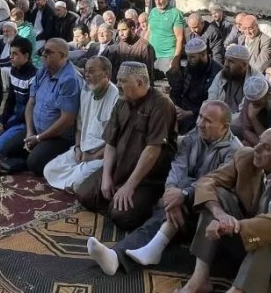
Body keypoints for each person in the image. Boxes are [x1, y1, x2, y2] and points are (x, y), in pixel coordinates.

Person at [86, 100, 242, 275]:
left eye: (208, 120)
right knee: (169, 207)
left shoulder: (235, 152)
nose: (200, 123)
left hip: (208, 212)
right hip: (182, 205)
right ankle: (122, 255)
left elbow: (213, 184)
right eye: (200, 116)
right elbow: (177, 167)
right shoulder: (194, 136)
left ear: (224, 126)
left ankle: (118, 255)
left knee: (173, 204)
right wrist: (170, 193)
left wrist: (183, 194)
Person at [177, 128, 271, 293]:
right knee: (217, 196)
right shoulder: (246, 157)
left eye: (266, 148)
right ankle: (199, 279)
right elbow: (208, 181)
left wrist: (235, 226)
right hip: (248, 240)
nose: (256, 149)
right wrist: (220, 215)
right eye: (259, 142)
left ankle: (239, 290)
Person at [75, 62, 177, 230]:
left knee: (122, 217)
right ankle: (116, 197)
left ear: (139, 83)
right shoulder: (122, 101)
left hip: (147, 178)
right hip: (120, 168)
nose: (118, 85)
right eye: (118, 80)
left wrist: (130, 185)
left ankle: (143, 204)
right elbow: (111, 142)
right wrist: (107, 176)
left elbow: (153, 150)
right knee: (84, 195)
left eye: (123, 81)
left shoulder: (161, 104)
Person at [0, 38, 81, 175]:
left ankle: (40, 155)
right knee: (7, 149)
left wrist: (39, 138)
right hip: (37, 131)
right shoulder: (43, 71)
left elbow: (67, 120)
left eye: (48, 52)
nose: (43, 54)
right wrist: (30, 132)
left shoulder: (69, 80)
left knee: (35, 164)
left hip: (58, 137)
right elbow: (31, 102)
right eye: (44, 50)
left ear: (62, 56)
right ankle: (34, 151)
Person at [44, 57, 120, 191]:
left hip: (101, 156)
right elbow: (79, 127)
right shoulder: (86, 91)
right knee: (49, 169)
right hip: (82, 151)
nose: (86, 75)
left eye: (91, 71)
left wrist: (92, 156)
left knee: (77, 182)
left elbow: (115, 141)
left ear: (106, 74)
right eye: (85, 71)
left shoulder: (116, 97)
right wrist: (78, 147)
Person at [0, 37, 38, 155]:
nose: (11, 57)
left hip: (25, 121)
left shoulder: (34, 76)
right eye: (11, 53)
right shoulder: (14, 71)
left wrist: (6, 125)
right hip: (12, 117)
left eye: (15, 54)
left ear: (26, 56)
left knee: (0, 146)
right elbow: (10, 100)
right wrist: (2, 121)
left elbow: (29, 109)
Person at [169, 37, 223, 133]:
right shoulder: (191, 66)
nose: (189, 60)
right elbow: (178, 89)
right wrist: (174, 106)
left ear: (203, 55)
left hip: (203, 114)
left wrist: (190, 113)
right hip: (183, 108)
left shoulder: (217, 72)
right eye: (188, 57)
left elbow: (214, 103)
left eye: (193, 57)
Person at [208, 44, 263, 113]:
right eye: (226, 60)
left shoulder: (256, 82)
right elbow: (212, 98)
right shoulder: (223, 74)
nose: (226, 64)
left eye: (231, 61)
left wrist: (221, 120)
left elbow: (244, 114)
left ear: (244, 65)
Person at [145, 0, 184, 74]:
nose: (158, 2)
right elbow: (148, 32)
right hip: (152, 55)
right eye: (155, 0)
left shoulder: (175, 13)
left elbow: (180, 38)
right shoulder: (153, 12)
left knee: (166, 84)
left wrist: (176, 59)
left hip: (168, 56)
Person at [104, 19, 156, 83]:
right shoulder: (121, 44)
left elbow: (148, 73)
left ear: (133, 29)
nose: (121, 34)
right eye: (119, 30)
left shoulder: (144, 46)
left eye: (124, 30)